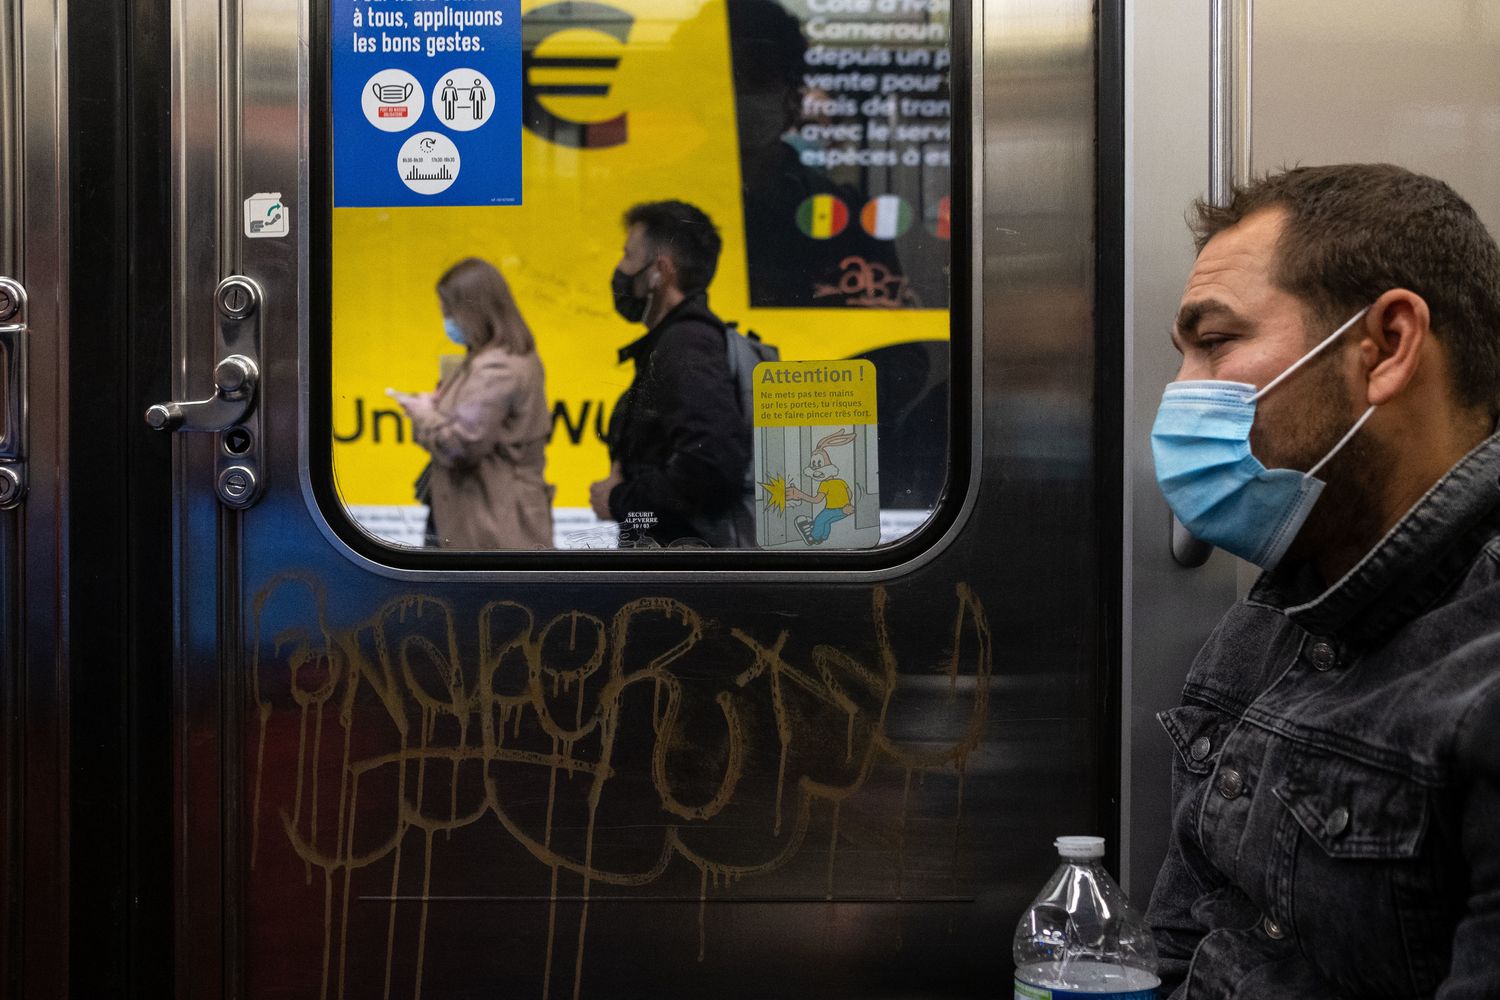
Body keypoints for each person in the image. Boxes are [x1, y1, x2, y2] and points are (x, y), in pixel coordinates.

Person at [1146, 163, 1500, 997]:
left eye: (1216, 343)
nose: (1179, 396)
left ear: (1385, 347)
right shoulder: (1272, 618)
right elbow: (1177, 953)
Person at [588, 200, 752, 547]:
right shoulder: (681, 341)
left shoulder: (685, 344)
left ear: (660, 271)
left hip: (682, 568)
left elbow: (711, 466)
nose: (620, 268)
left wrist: (618, 500)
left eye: (628, 255)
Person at [394, 257, 553, 549]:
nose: (447, 320)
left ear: (474, 311)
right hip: (487, 514)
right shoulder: (495, 357)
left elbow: (462, 446)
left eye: (450, 312)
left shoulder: (497, 367)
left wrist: (423, 414)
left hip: (491, 522)